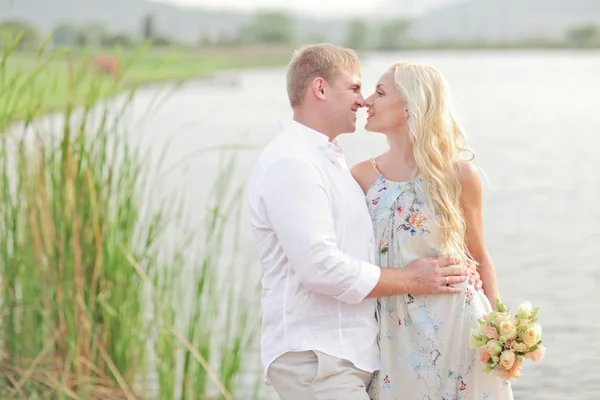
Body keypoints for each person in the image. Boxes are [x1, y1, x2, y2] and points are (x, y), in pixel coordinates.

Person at [247, 43, 479, 400]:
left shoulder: (328, 161)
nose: (363, 100)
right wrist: (414, 278)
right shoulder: (293, 163)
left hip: (353, 356)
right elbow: (320, 268)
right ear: (320, 89)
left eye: (371, 90)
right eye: (355, 87)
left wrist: (461, 270)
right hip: (317, 357)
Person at [351, 61, 513, 399]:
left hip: (461, 325)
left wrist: (502, 334)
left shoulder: (458, 175)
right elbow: (351, 264)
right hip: (394, 332)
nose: (366, 101)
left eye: (380, 93)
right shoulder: (361, 178)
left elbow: (479, 255)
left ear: (411, 105)